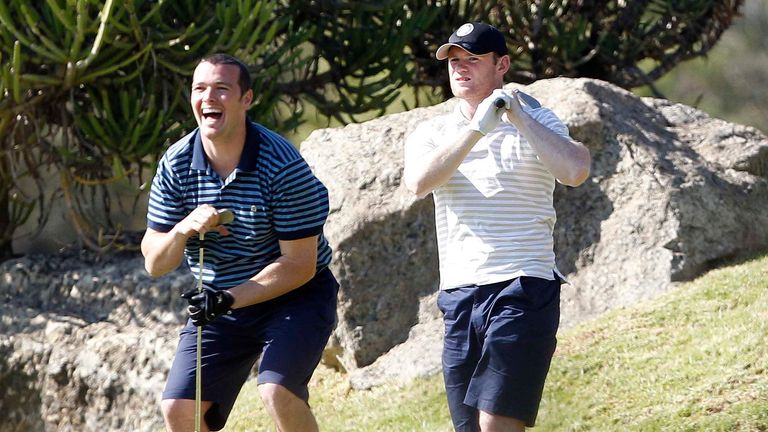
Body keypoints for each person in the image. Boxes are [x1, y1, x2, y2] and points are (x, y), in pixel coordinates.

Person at [403, 22, 591, 432]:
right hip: (459, 296)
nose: (460, 68)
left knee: (497, 425)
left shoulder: (540, 119)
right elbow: (418, 183)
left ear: (501, 64)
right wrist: (477, 129)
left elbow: (575, 170)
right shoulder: (432, 132)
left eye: (472, 59)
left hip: (523, 287)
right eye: (454, 60)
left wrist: (518, 117)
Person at [141, 53, 338, 432]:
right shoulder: (175, 164)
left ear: (246, 99)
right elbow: (154, 263)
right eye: (200, 88)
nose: (208, 97)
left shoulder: (282, 165)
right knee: (180, 410)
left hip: (296, 296)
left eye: (221, 89)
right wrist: (181, 231)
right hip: (219, 305)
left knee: (277, 390)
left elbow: (300, 264)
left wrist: (230, 298)